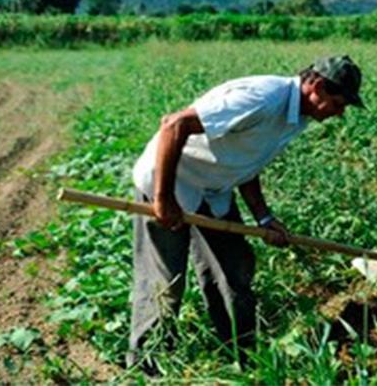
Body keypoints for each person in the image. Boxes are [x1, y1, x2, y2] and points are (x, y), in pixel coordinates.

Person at [128, 55, 364, 368]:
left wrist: (264, 217)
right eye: (338, 103)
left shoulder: (297, 116)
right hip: (171, 182)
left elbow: (248, 161)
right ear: (317, 86)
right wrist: (163, 197)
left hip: (213, 190)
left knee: (234, 270)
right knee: (164, 283)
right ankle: (146, 365)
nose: (339, 113)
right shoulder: (262, 98)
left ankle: (242, 355)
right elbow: (174, 124)